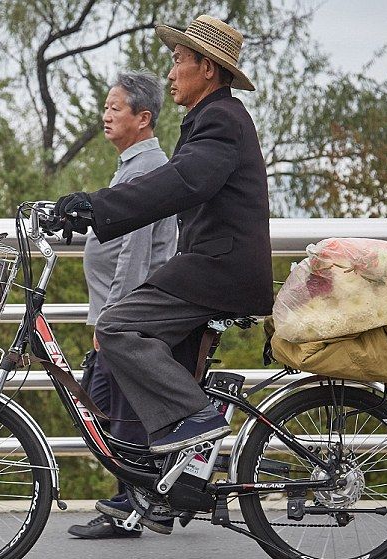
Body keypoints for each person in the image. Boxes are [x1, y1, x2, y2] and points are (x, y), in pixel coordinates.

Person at [51, 15, 274, 518]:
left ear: (208, 69)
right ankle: (169, 485)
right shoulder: (209, 120)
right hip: (210, 268)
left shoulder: (222, 120)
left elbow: (180, 184)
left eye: (178, 60)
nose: (171, 73)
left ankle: (197, 420)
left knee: (116, 326)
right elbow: (178, 185)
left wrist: (97, 206)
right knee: (154, 356)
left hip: (219, 270)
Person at [67, 71, 178, 540]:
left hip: (128, 315)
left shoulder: (146, 168)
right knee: (107, 403)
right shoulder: (134, 164)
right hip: (122, 313)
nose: (106, 115)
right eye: (106, 107)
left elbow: (135, 254)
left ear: (143, 118)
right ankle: (137, 497)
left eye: (115, 108)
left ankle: (135, 502)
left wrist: (112, 320)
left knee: (117, 406)